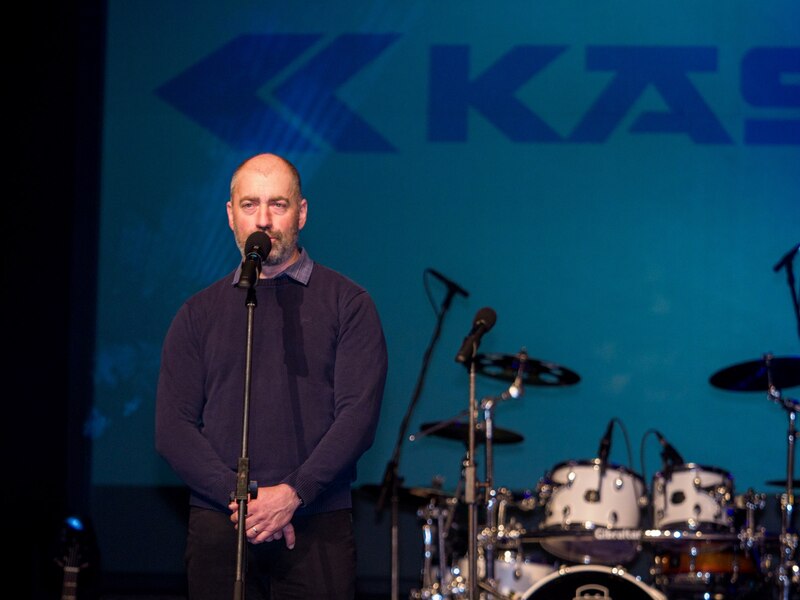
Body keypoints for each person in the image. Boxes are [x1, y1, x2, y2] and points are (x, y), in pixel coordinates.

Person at [155, 153, 388, 599]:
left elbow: (357, 418)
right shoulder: (197, 313)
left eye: (278, 204)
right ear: (231, 215)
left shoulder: (348, 304)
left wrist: (294, 493)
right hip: (222, 524)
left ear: (301, 212)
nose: (263, 219)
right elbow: (173, 428)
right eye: (250, 205)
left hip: (316, 525)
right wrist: (241, 499)